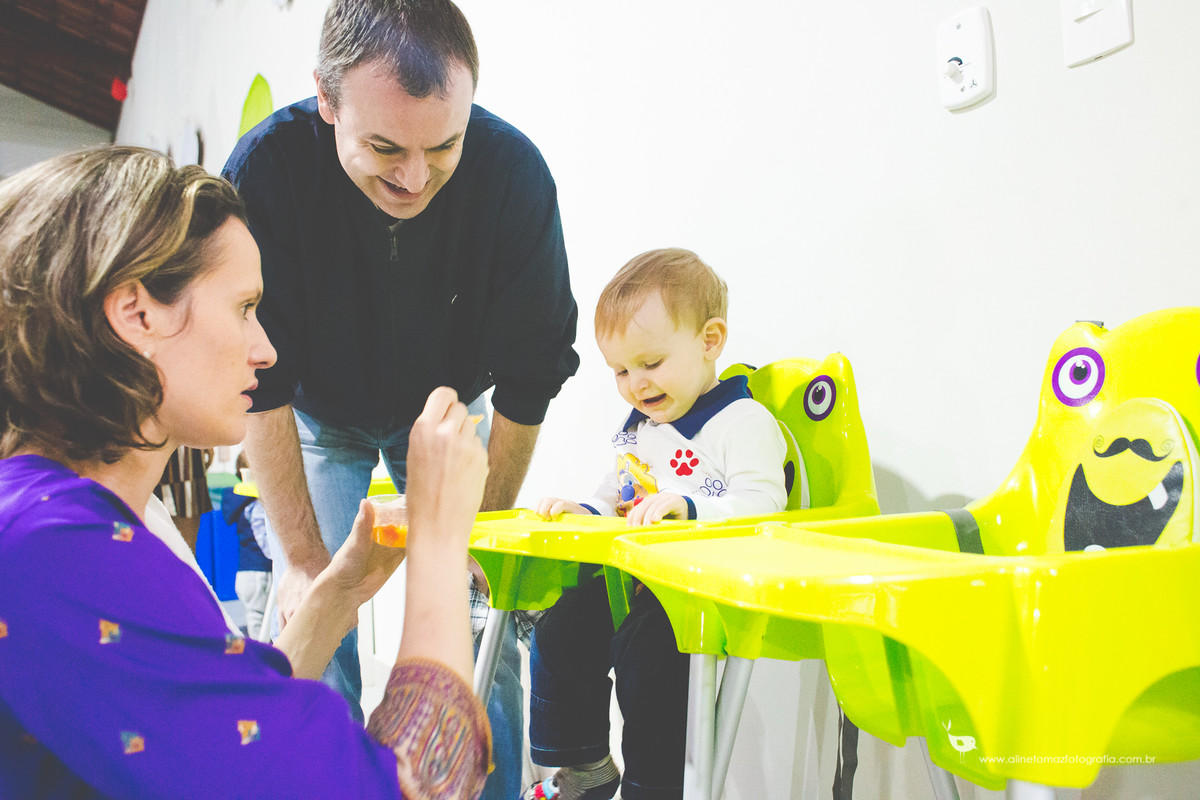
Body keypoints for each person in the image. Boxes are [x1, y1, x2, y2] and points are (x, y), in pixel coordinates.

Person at [0, 146, 491, 799]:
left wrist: (339, 591)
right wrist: (438, 539)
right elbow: (411, 786)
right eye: (243, 309)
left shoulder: (66, 512)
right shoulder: (60, 546)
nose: (266, 350)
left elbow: (220, 728)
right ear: (137, 315)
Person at [222, 2, 578, 789]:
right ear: (326, 98)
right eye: (383, 147)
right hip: (316, 415)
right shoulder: (266, 172)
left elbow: (531, 377)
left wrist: (483, 539)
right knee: (317, 605)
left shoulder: (514, 174)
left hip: (452, 413)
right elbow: (261, 387)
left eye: (442, 146)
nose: (414, 178)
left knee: (483, 613)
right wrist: (306, 563)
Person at [526, 249, 788, 800]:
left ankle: (655, 787)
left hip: (702, 590)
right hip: (636, 577)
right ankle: (585, 766)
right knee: (563, 621)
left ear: (710, 341)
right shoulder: (642, 428)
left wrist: (690, 509)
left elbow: (765, 506)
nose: (635, 384)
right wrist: (590, 511)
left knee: (649, 655)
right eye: (621, 371)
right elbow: (618, 489)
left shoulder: (741, 422)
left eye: (650, 363)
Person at [225, 450, 273, 641]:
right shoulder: (256, 502)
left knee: (255, 617)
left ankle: (262, 653)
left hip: (246, 571)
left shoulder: (237, 500)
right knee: (263, 621)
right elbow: (265, 540)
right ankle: (262, 659)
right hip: (262, 570)